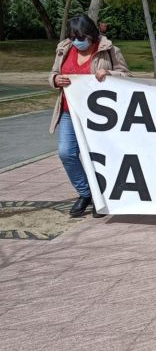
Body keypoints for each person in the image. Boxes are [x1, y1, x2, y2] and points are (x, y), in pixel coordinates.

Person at [49, 14, 131, 218]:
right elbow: (52, 73)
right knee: (66, 152)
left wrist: (109, 74)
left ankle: (102, 195)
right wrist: (55, 79)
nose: (77, 41)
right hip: (70, 111)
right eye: (73, 36)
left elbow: (127, 76)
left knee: (99, 157)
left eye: (81, 37)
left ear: (91, 34)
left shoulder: (108, 50)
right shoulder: (64, 49)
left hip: (99, 115)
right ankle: (86, 193)